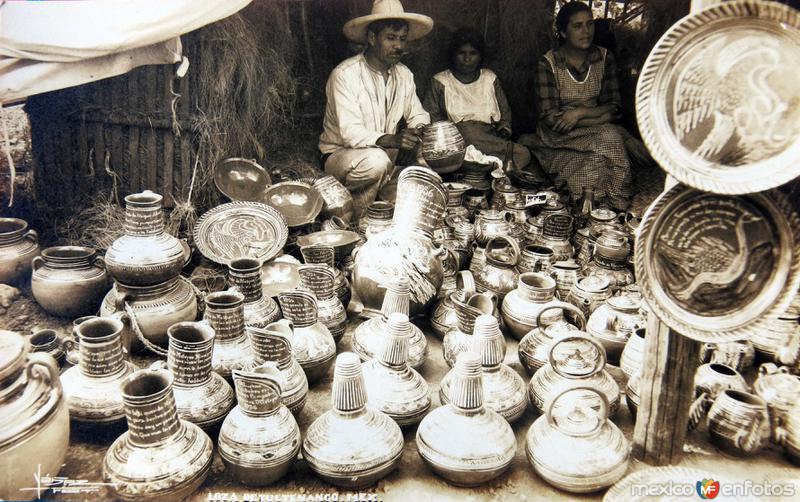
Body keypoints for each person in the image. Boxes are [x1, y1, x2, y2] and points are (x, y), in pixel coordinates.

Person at [522, 1, 653, 211]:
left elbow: (616, 108)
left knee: (597, 163)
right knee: (611, 136)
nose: (586, 31)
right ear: (563, 32)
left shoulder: (604, 57)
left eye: (590, 24)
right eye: (578, 26)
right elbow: (552, 119)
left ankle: (605, 208)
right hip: (558, 138)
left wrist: (578, 113)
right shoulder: (548, 63)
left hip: (594, 132)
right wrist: (601, 117)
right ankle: (615, 201)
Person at [319, 0, 433, 219]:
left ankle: (381, 201)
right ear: (372, 38)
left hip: (385, 161)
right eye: (391, 38)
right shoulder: (345, 74)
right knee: (376, 161)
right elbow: (351, 133)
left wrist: (418, 131)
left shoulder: (404, 74)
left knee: (421, 178)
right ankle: (357, 219)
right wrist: (393, 140)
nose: (399, 46)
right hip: (341, 157)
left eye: (402, 39)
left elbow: (418, 114)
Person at [423, 27, 532, 171]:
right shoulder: (441, 81)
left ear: (480, 55)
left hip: (490, 139)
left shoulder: (489, 78)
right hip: (458, 141)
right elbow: (432, 119)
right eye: (461, 53)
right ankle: (493, 169)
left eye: (473, 53)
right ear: (453, 54)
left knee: (523, 154)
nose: (467, 59)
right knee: (469, 132)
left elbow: (504, 112)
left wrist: (504, 129)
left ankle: (484, 167)